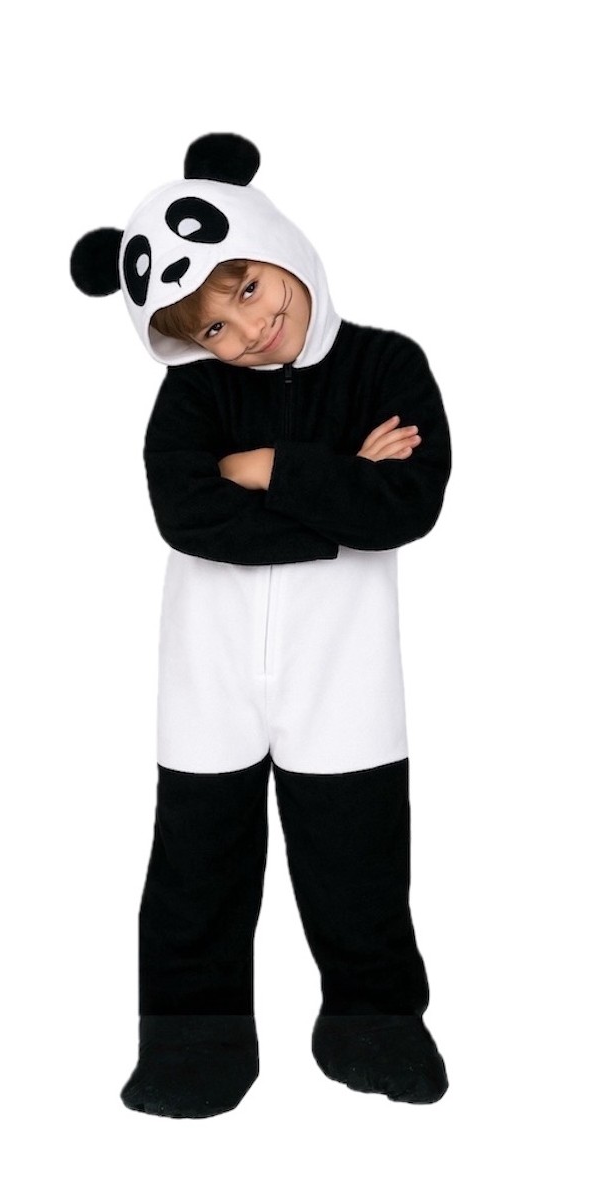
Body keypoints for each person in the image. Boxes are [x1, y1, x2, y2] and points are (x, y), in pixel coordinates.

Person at [70, 133, 452, 1118]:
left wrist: (267, 466)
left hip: (344, 663)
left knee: (358, 862)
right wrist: (338, 487)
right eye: (212, 326)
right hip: (209, 663)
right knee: (196, 867)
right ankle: (191, 1051)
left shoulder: (385, 364)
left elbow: (406, 504)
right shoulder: (192, 394)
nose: (247, 326)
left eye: (245, 285)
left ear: (273, 241)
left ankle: (373, 1029)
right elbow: (185, 513)